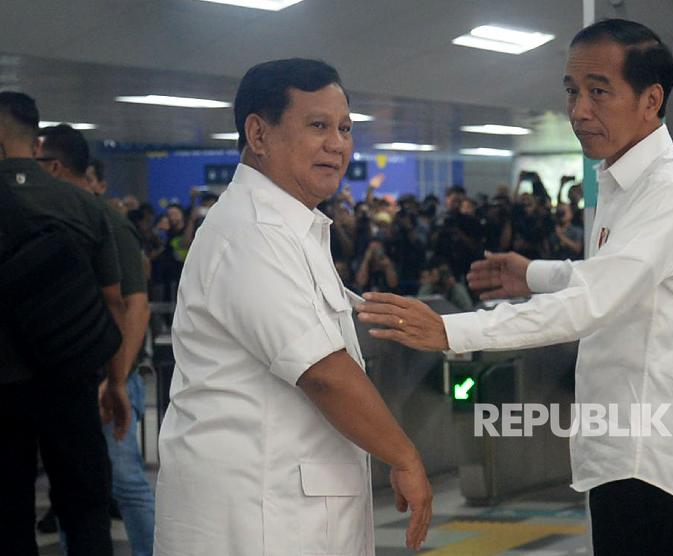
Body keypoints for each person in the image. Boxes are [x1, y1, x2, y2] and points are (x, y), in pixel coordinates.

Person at [356, 19, 673, 556]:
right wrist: (533, 274)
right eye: (572, 91)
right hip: (623, 447)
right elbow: (614, 280)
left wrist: (451, 330)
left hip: (649, 457)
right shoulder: (624, 178)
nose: (578, 111)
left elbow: (592, 304)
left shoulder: (665, 190)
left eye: (599, 91)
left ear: (650, 100)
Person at [153, 58, 431, 556]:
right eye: (318, 126)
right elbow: (323, 371)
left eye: (345, 129)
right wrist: (405, 457)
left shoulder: (292, 229)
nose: (338, 144)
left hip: (286, 508)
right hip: (257, 515)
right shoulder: (253, 231)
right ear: (258, 134)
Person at [0, 91, 130, 556]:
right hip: (71, 381)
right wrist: (114, 381)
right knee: (85, 507)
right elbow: (113, 301)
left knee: (8, 514)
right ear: (34, 142)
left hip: (4, 389)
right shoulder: (84, 205)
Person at [39, 124, 156, 556]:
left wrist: (117, 378)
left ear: (54, 165)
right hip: (75, 377)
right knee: (76, 488)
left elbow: (135, 305)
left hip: (112, 376)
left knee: (124, 482)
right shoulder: (52, 217)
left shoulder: (106, 220)